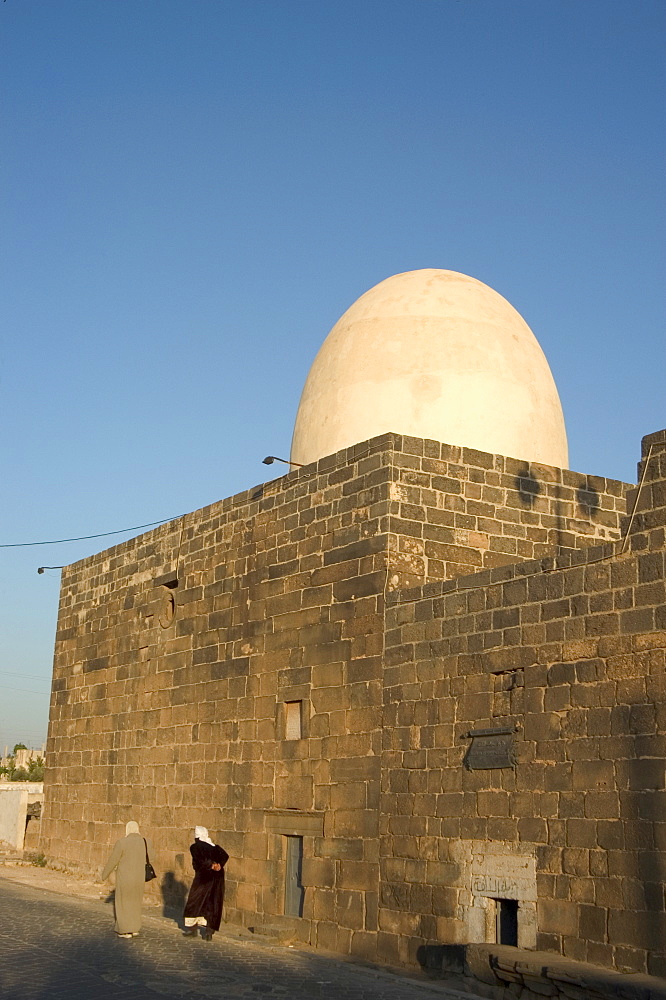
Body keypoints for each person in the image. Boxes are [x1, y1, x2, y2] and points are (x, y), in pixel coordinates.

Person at [101, 820, 150, 939]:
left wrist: (104, 875)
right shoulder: (145, 842)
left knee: (124, 903)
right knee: (135, 903)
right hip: (139, 878)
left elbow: (113, 860)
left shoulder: (122, 842)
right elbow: (152, 857)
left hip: (125, 878)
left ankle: (125, 929)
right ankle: (134, 928)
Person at [182, 826, 229, 940]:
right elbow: (225, 856)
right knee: (212, 903)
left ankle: (192, 929)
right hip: (217, 879)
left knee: (195, 901)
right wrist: (219, 865)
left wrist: (211, 865)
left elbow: (200, 860)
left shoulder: (195, 847)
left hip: (204, 878)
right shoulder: (215, 847)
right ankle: (209, 932)